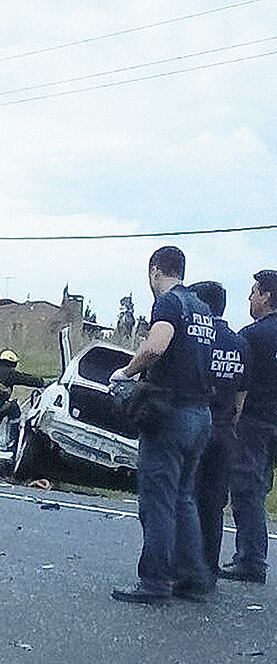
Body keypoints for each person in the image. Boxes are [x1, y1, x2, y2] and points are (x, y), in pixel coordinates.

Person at [110, 246, 215, 604]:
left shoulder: (169, 303)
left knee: (158, 502)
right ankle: (193, 579)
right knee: (184, 499)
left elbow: (156, 348)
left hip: (171, 415)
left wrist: (125, 372)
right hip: (202, 415)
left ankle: (154, 584)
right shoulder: (202, 308)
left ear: (156, 271)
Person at [189, 281, 248, 581]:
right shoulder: (240, 343)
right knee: (214, 503)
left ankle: (184, 567)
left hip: (198, 424)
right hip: (225, 430)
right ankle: (208, 568)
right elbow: (240, 399)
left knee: (187, 497)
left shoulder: (201, 340)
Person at [221, 270, 277, 584]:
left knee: (246, 489)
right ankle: (252, 556)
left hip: (253, 420)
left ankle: (251, 560)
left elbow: (235, 380)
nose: (250, 298)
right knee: (261, 484)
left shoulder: (252, 336)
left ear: (267, 296)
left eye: (255, 292)